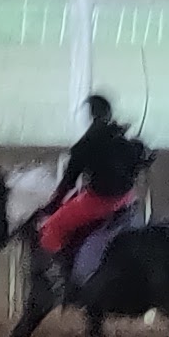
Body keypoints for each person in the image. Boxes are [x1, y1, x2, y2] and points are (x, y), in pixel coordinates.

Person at [27, 92, 151, 291]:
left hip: (99, 202)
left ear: (91, 114)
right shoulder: (122, 139)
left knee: (53, 226)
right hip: (126, 199)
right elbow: (141, 163)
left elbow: (69, 181)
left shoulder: (87, 143)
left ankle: (59, 277)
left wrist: (53, 204)